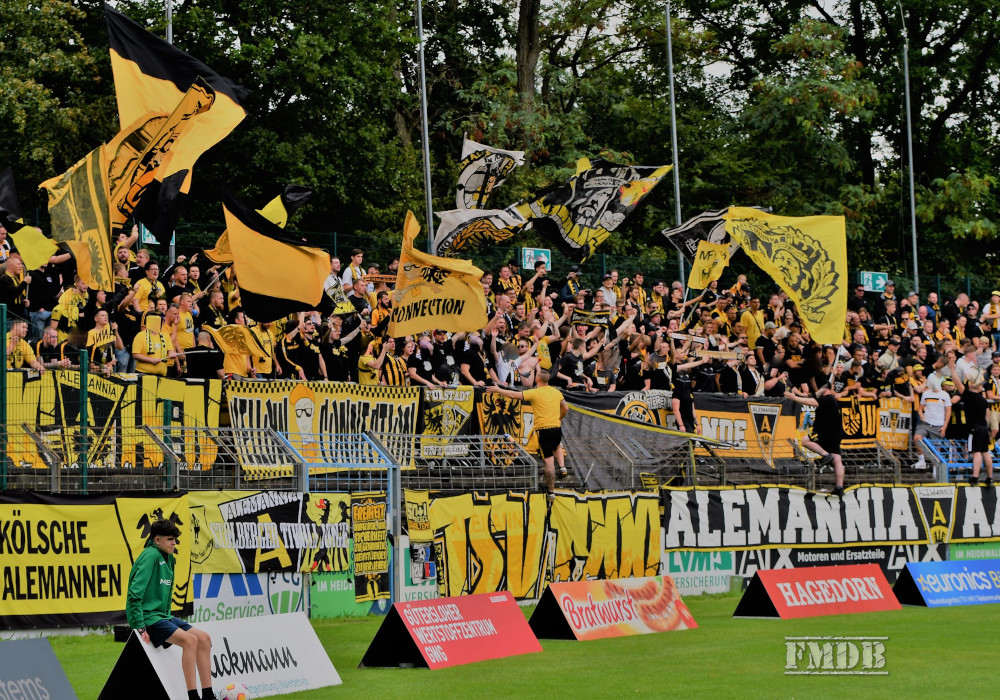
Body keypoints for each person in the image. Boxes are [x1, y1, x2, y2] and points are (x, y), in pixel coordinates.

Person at [126, 519, 215, 700]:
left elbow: (164, 597)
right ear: (157, 540)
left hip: (163, 616)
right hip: (149, 618)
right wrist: (140, 626)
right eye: (169, 539)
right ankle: (193, 697)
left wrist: (167, 618)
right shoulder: (150, 556)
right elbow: (134, 594)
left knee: (204, 639)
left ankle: (208, 696)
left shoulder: (169, 558)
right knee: (190, 641)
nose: (173, 542)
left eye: (174, 539)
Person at [487, 368, 568, 493]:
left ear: (537, 379)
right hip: (557, 427)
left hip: (543, 429)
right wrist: (560, 418)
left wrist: (498, 390)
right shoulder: (556, 392)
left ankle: (551, 491)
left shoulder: (535, 392)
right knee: (557, 446)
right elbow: (565, 408)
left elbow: (513, 395)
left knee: (548, 460)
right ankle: (562, 467)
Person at [785, 386, 845, 497]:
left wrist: (794, 397)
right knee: (837, 459)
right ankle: (839, 487)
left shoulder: (827, 398)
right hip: (836, 433)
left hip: (826, 432)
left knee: (805, 440)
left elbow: (810, 401)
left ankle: (825, 455)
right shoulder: (832, 400)